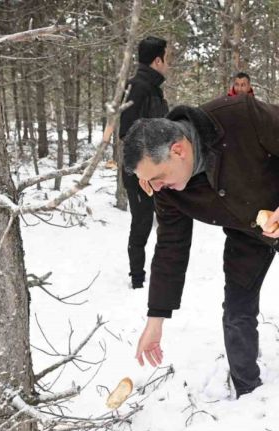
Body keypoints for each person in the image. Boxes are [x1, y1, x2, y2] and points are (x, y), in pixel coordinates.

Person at [124, 95, 279, 398]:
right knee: (237, 312)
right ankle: (246, 388)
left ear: (179, 150)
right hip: (245, 234)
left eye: (157, 178)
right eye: (148, 182)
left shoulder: (239, 116)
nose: (155, 188)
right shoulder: (168, 189)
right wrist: (155, 319)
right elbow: (170, 248)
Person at [119, 36, 169, 289]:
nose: (168, 64)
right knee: (142, 222)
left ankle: (163, 273)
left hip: (159, 171)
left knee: (167, 221)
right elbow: (126, 133)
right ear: (158, 59)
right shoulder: (137, 87)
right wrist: (141, 171)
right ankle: (137, 278)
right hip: (139, 171)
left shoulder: (153, 88)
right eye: (167, 58)